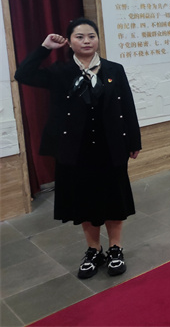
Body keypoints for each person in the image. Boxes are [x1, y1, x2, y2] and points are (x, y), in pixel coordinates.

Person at [15, 18, 141, 279]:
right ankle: (94, 250)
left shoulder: (114, 69)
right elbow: (23, 74)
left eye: (91, 36)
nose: (86, 41)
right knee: (84, 200)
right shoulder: (60, 72)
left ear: (98, 40)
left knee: (114, 197)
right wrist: (45, 48)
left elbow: (127, 105)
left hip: (111, 145)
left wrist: (134, 140)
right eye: (80, 37)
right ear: (70, 42)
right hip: (75, 148)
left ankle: (115, 248)